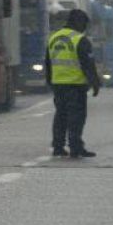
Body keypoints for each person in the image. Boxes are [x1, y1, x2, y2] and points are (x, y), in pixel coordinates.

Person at [45, 9, 101, 158]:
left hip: (58, 84)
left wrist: (50, 82)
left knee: (61, 116)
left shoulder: (53, 38)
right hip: (75, 85)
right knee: (76, 117)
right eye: (84, 24)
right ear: (78, 22)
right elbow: (88, 64)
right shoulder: (80, 40)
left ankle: (58, 146)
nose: (85, 28)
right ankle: (76, 147)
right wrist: (95, 83)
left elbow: (48, 63)